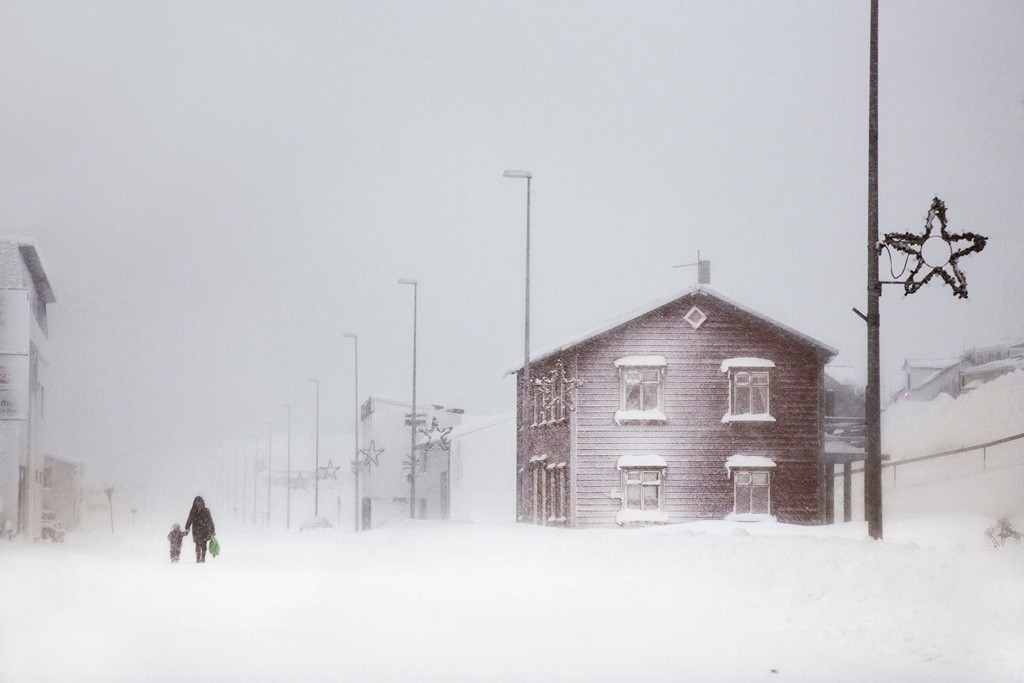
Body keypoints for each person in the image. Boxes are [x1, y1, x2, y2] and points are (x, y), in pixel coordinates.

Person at [184, 495, 216, 563]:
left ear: (202, 503)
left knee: (204, 545)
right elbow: (189, 519)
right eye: (197, 504)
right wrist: (187, 527)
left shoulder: (206, 511)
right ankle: (198, 559)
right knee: (197, 545)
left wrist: (212, 530)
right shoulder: (193, 511)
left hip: (205, 530)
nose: (199, 506)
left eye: (200, 504)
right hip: (196, 530)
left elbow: (210, 521)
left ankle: (203, 558)